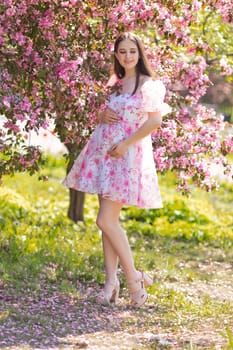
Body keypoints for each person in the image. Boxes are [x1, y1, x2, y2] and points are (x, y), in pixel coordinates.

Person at [63, 32, 171, 307]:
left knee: (105, 221)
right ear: (116, 55)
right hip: (103, 156)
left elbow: (154, 122)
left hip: (126, 157)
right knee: (106, 223)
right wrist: (101, 116)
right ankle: (111, 283)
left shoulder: (148, 85)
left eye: (132, 51)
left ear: (140, 54)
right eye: (122, 52)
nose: (127, 56)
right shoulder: (117, 84)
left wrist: (124, 144)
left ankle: (135, 281)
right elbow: (111, 115)